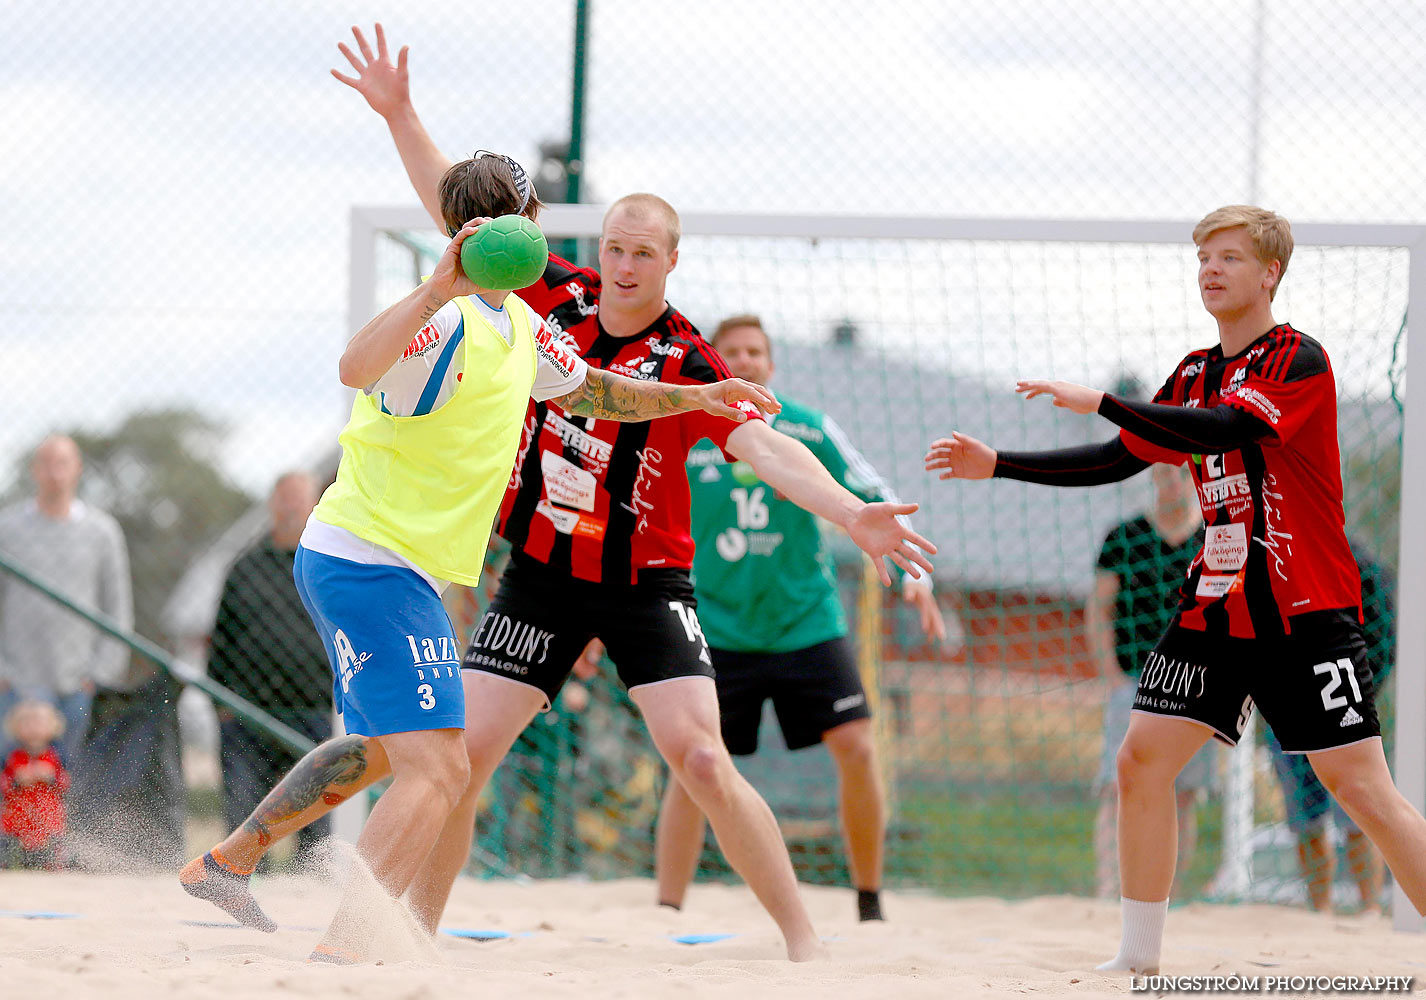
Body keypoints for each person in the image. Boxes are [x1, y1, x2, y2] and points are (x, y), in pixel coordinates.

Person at [178, 24, 935, 964]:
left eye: (643, 253)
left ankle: (803, 942)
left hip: (644, 580)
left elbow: (763, 447)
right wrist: (405, 117)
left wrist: (849, 511)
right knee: (447, 762)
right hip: (524, 570)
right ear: (592, 247)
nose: (622, 264)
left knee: (687, 758)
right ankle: (392, 938)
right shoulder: (531, 297)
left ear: (669, 264)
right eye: (613, 246)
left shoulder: (666, 354)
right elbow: (458, 217)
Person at [180, 146, 778, 963]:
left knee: (396, 750)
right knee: (440, 769)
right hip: (368, 557)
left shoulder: (523, 324)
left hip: (397, 563)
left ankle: (230, 858)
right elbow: (356, 367)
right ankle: (347, 954)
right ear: (506, 233)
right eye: (524, 221)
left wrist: (699, 396)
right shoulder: (441, 319)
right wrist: (435, 283)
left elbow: (601, 390)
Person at [925, 205, 1426, 975]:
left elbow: (1220, 430)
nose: (1211, 271)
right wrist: (999, 462)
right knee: (1139, 763)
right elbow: (1123, 455)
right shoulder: (1193, 370)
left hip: (1304, 612)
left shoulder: (1299, 360)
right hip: (1214, 611)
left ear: (1270, 274)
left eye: (1228, 257)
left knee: (1361, 791)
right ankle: (1138, 958)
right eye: (1203, 260)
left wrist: (1100, 398)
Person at [654, 314, 947, 923]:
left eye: (756, 351)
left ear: (772, 364)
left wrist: (917, 573)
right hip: (720, 626)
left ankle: (868, 901)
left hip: (804, 622)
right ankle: (667, 909)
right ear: (716, 361)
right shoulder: (690, 428)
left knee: (859, 747)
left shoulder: (806, 429)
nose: (746, 360)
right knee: (691, 763)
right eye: (732, 351)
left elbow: (872, 489)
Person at [1085, 463, 1213, 899]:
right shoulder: (1124, 537)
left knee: (1183, 794)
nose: (1171, 476)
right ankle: (1109, 888)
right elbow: (1099, 609)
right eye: (1163, 467)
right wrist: (1113, 678)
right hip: (1135, 683)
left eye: (1181, 467)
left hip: (1197, 684)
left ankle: (1166, 896)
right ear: (1153, 474)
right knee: (1116, 787)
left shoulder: (1217, 538)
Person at [208, 471, 333, 863]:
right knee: (244, 807)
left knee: (315, 810)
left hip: (313, 706)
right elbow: (221, 636)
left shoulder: (328, 567)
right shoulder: (245, 568)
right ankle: (238, 871)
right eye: (285, 499)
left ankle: (312, 878)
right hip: (248, 709)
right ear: (271, 505)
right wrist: (221, 703)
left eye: (300, 499)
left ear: (315, 505)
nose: (292, 507)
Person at [1265, 540, 1395, 914]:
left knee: (1361, 809)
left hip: (1345, 706)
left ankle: (1370, 907)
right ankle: (1319, 910)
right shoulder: (1270, 564)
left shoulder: (1364, 566)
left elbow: (1386, 642)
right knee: (1304, 817)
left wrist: (1358, 694)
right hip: (1287, 707)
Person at [0, 434, 132, 771]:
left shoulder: (103, 532)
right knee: (13, 786)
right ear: (33, 470)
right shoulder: (7, 529)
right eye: (46, 464)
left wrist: (100, 673)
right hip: (17, 683)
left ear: (78, 470)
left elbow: (117, 608)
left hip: (78, 684)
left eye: (62, 464)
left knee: (66, 788)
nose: (54, 473)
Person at [0, 699, 69, 869]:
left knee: (53, 848)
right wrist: (17, 780)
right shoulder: (11, 757)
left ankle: (54, 864)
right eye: (26, 722)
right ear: (16, 728)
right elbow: (3, 784)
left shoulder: (57, 756)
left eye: (39, 722)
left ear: (53, 727)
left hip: (47, 818)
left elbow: (65, 784)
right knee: (7, 846)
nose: (33, 727)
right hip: (16, 817)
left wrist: (50, 777)